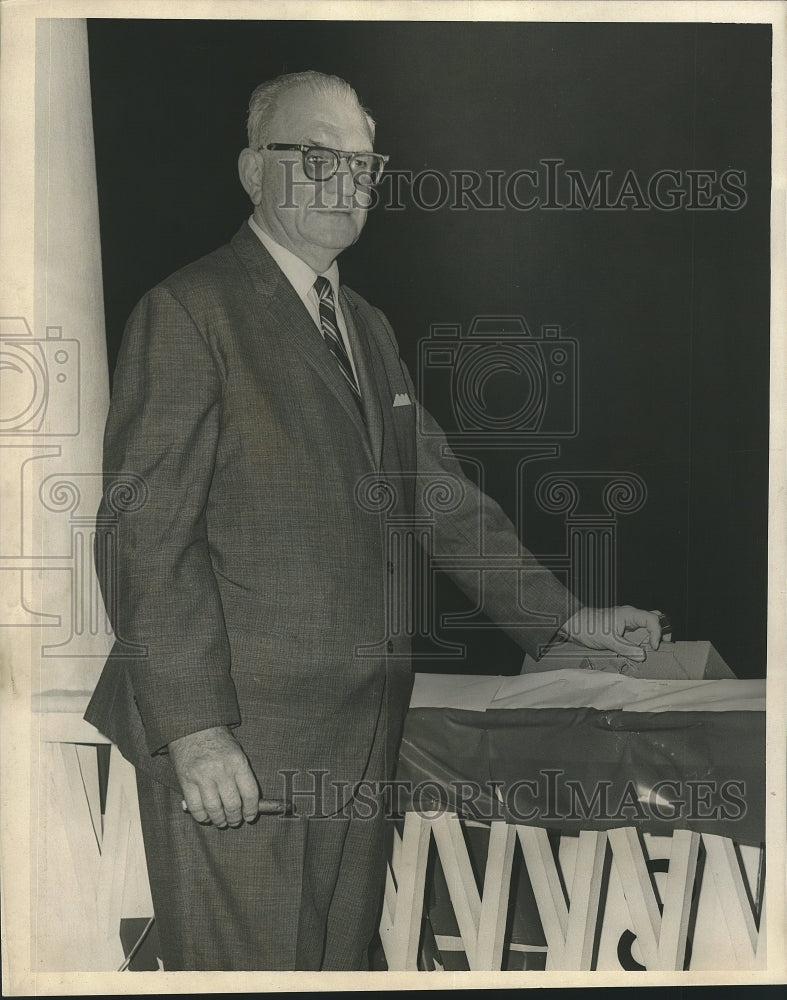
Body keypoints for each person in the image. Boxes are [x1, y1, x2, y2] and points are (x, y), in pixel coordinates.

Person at [85, 70, 662, 971]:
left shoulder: (364, 324)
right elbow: (141, 537)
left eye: (361, 162)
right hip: (242, 748)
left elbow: (437, 496)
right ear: (250, 171)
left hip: (358, 739)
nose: (344, 179)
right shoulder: (188, 312)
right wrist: (195, 730)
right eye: (313, 155)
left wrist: (560, 619)